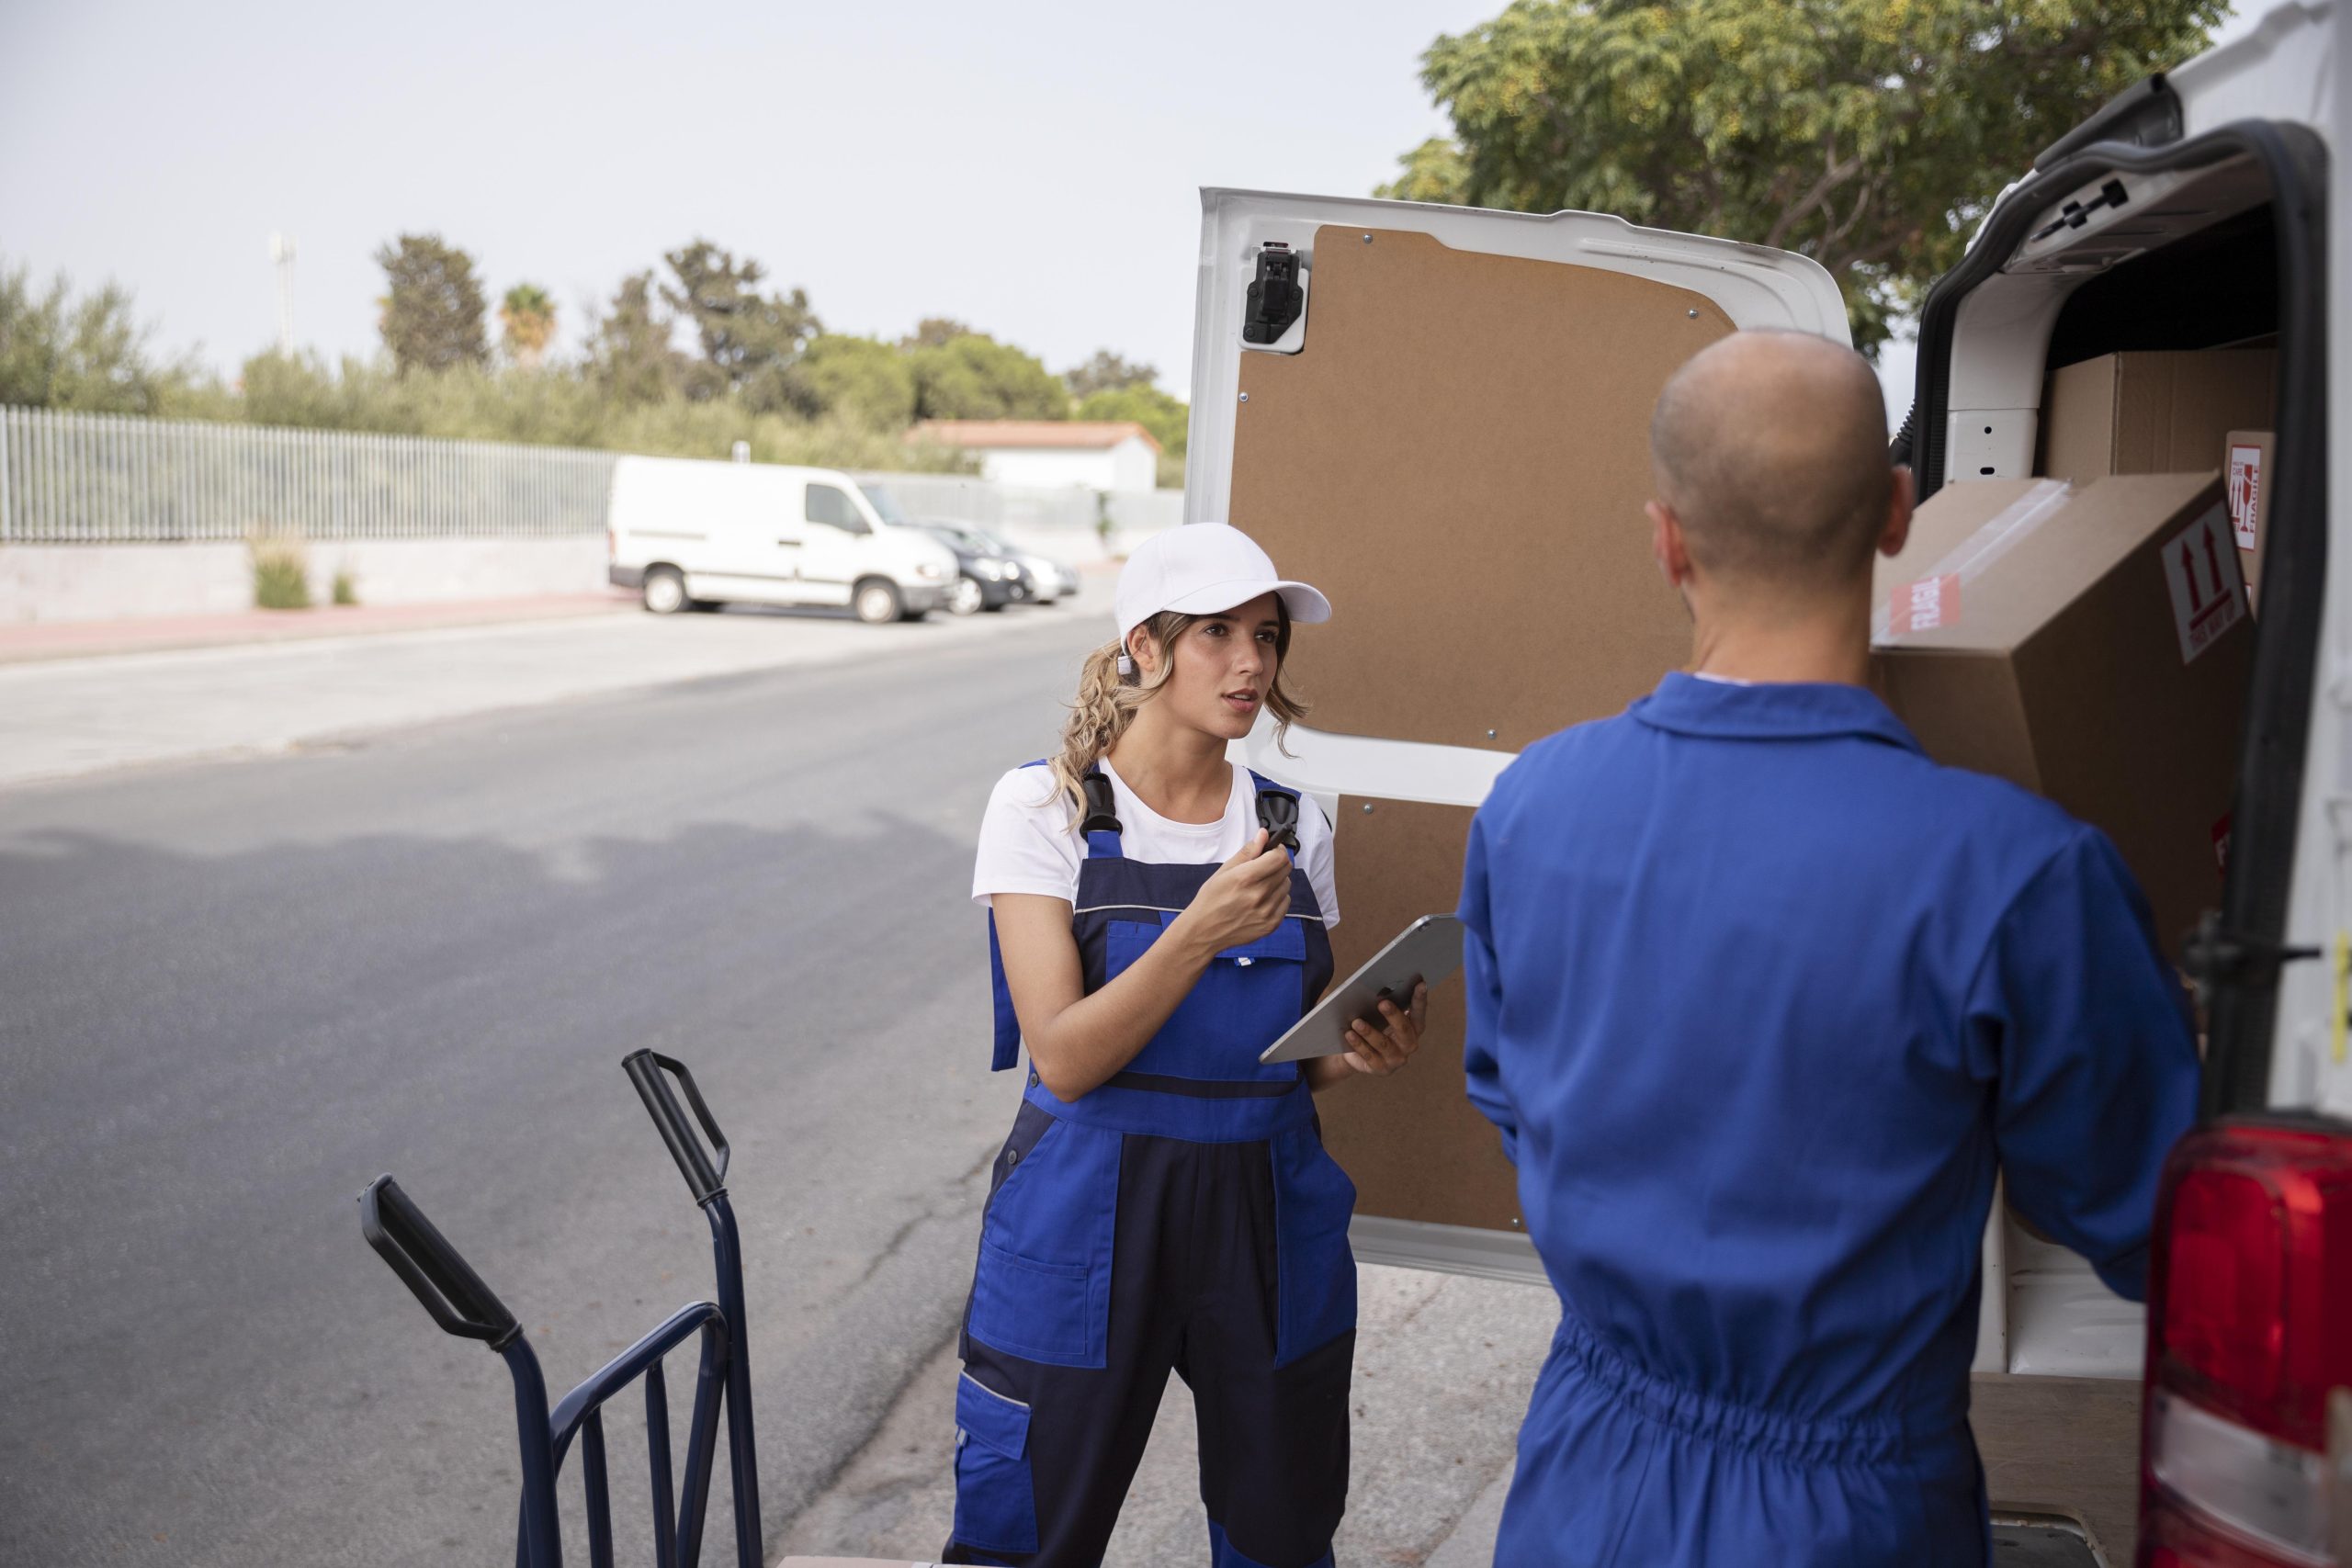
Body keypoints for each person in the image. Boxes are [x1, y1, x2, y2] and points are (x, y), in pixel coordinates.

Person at [1456, 332, 2200, 1565]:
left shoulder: (1531, 803)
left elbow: (1512, 1098)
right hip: (1843, 1517)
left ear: (1667, 538)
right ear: (1899, 511)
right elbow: (2153, 1219)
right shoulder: (2017, 871)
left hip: (1581, 1476)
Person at [947, 522, 1428, 1568]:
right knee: (1026, 1531)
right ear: (1145, 648)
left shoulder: (1294, 825)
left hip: (1267, 1212)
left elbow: (1295, 1061)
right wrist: (1199, 928)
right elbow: (1067, 1059)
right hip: (1084, 1215)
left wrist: (1361, 1052)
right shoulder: (1045, 811)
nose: (1251, 661)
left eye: (1265, 635)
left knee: (1281, 1529)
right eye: (1216, 631)